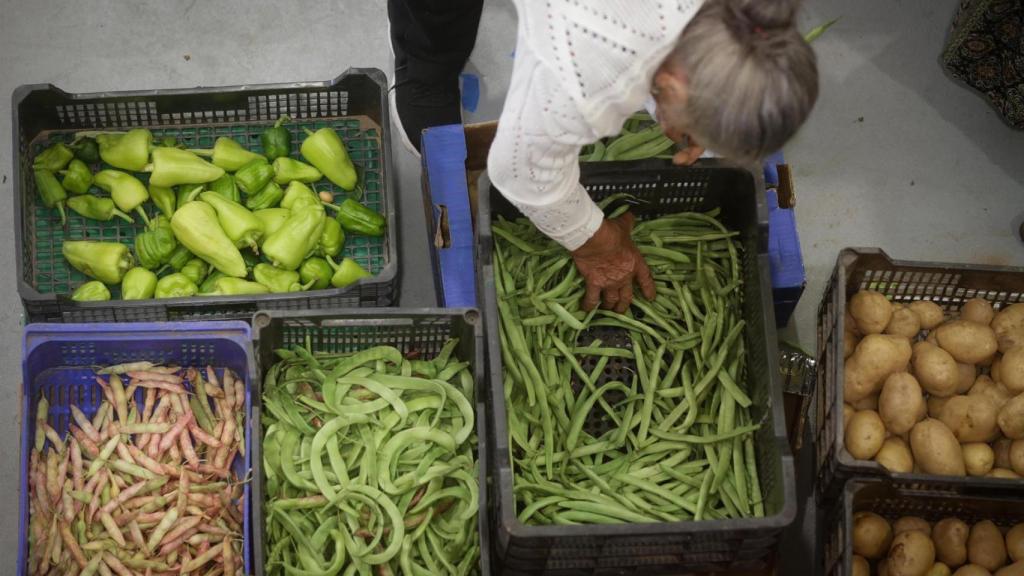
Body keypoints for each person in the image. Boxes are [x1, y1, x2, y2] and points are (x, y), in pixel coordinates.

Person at [487, 0, 819, 312]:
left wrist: (686, 113)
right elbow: (520, 170)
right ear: (673, 87)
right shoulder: (581, 72)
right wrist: (598, 245)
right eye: (693, 133)